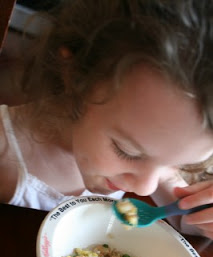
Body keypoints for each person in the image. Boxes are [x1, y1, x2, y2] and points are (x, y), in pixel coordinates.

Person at [0, 0, 213, 239]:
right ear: (76, 76)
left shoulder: (155, 161)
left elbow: (185, 220)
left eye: (181, 164)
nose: (147, 187)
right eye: (127, 151)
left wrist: (202, 217)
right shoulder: (5, 153)